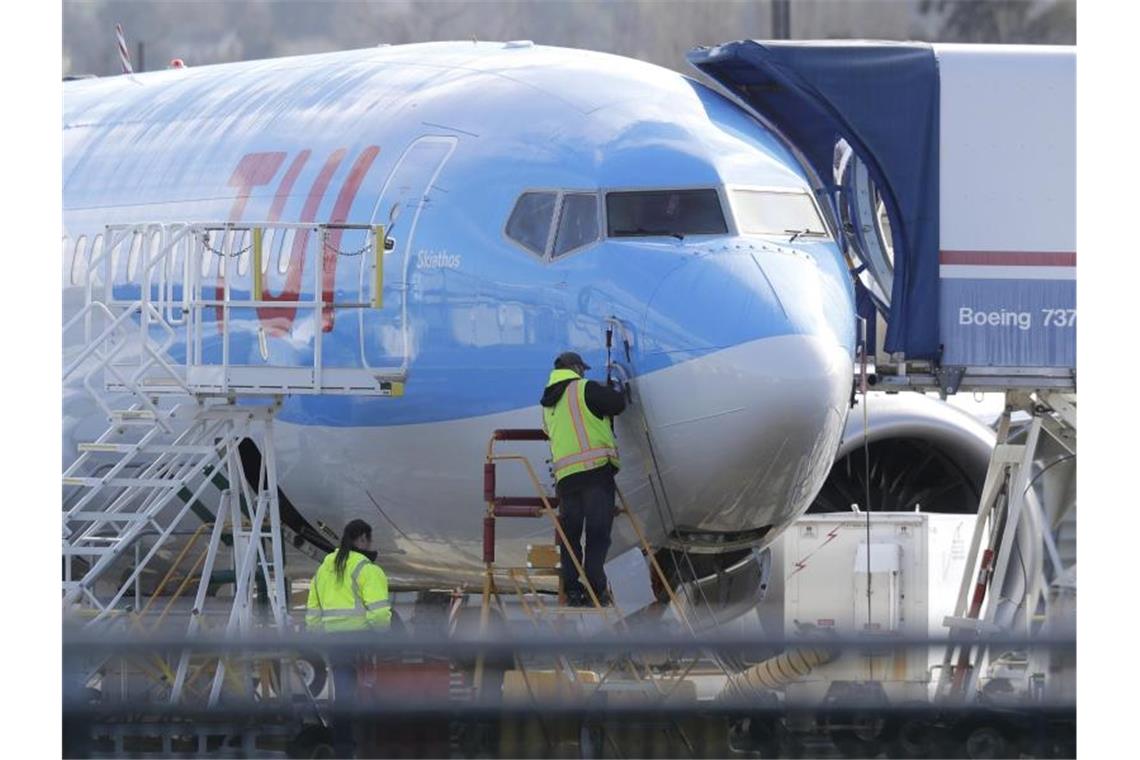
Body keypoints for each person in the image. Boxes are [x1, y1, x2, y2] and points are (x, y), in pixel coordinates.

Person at [540, 351, 627, 607]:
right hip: (595, 473)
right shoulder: (583, 389)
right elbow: (617, 404)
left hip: (566, 478)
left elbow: (550, 432)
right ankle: (595, 587)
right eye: (583, 369)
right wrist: (613, 388)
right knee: (598, 532)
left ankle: (572, 589)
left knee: (571, 535)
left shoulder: (547, 402)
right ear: (576, 368)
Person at [305, 519, 391, 758]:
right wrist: (381, 634)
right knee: (365, 691)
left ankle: (345, 745)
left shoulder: (324, 569)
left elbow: (313, 609)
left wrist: (317, 635)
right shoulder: (365, 569)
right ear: (362, 539)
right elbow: (380, 611)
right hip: (360, 638)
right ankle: (361, 745)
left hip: (334, 641)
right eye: (369, 539)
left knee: (344, 693)